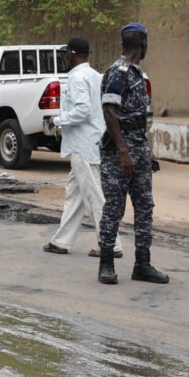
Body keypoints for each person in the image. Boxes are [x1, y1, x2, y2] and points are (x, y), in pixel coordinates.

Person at [97, 23, 169, 285]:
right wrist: (124, 152)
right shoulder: (119, 72)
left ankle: (143, 264)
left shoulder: (138, 74)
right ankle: (106, 264)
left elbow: (137, 119)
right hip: (120, 151)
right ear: (142, 43)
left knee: (145, 207)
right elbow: (110, 112)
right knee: (115, 207)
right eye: (147, 42)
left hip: (138, 146)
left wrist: (146, 151)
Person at [42, 37, 123, 258]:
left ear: (72, 53)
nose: (65, 56)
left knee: (94, 195)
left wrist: (57, 120)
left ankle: (111, 244)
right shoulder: (95, 76)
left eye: (66, 53)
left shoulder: (77, 77)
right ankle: (61, 241)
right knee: (75, 194)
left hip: (83, 145)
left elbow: (82, 111)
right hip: (91, 142)